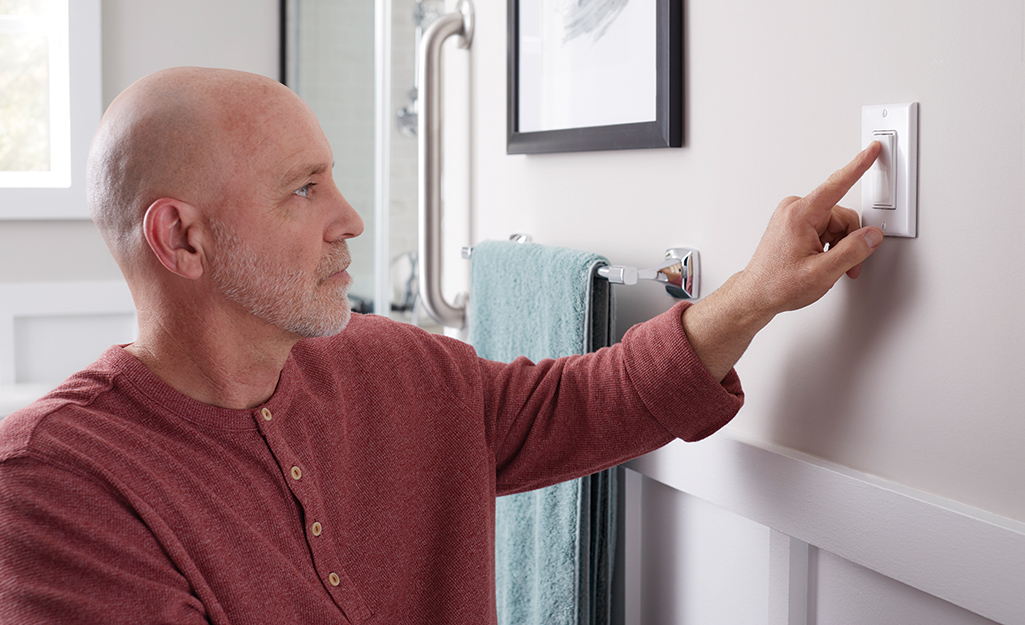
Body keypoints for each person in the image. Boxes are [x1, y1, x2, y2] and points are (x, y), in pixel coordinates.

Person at [0, 67, 883, 624]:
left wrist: (756, 293)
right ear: (181, 239)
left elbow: (585, 401)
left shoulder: (392, 365)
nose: (348, 219)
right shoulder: (52, 484)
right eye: (303, 190)